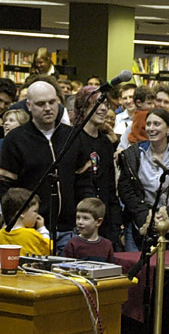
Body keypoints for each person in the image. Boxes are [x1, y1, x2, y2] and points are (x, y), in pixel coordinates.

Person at [0, 81, 94, 253]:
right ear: (29, 105)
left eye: (52, 102)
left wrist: (83, 216)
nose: (48, 108)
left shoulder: (73, 136)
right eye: (41, 104)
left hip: (70, 229)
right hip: (30, 231)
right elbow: (5, 188)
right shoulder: (15, 140)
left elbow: (84, 181)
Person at [118, 108, 169, 252]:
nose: (151, 128)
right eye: (149, 124)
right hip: (138, 224)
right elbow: (126, 191)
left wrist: (168, 216)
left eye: (157, 124)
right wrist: (146, 217)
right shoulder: (132, 154)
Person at [74, 87, 123, 250]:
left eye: (105, 104)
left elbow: (110, 187)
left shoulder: (105, 143)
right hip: (81, 224)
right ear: (83, 107)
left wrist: (116, 224)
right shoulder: (73, 140)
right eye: (97, 104)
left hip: (105, 223)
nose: (103, 108)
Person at [0, 188, 50, 255]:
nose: (37, 215)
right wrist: (42, 229)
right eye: (35, 211)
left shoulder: (1, 233)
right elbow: (49, 248)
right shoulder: (31, 234)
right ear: (21, 213)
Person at [63, 197, 115, 262]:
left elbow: (111, 269)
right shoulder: (72, 244)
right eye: (78, 217)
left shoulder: (107, 245)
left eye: (85, 218)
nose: (80, 222)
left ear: (98, 222)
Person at [118, 85, 155, 150]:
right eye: (149, 103)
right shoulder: (144, 115)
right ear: (139, 103)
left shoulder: (136, 114)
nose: (152, 106)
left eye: (153, 103)